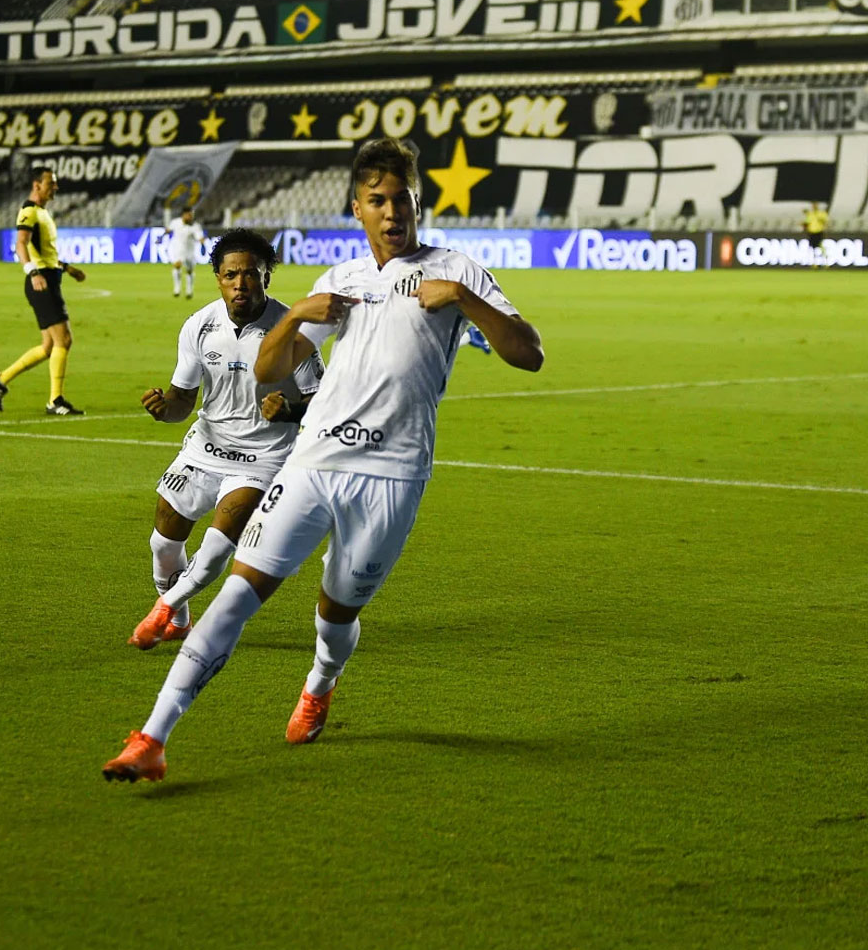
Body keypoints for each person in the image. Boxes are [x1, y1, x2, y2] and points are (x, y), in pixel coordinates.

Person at [104, 138, 545, 783]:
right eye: (377, 201)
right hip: (312, 462)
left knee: (336, 613)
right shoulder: (340, 279)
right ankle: (152, 736)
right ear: (357, 209)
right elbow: (268, 370)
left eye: (403, 200)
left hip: (393, 476)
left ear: (417, 202)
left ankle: (320, 680)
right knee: (236, 596)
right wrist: (298, 318)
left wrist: (463, 299)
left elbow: (528, 352)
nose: (393, 213)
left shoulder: (458, 268)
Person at [132, 228, 324, 652]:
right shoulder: (199, 326)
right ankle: (179, 620)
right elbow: (183, 399)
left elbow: (322, 400)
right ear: (218, 278)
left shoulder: (293, 329)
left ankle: (165, 607)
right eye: (230, 275)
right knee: (163, 540)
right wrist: (166, 409)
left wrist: (291, 410)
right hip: (207, 445)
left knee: (221, 537)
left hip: (264, 455)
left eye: (251, 274)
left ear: (266, 277)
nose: (241, 284)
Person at [0, 166, 88, 416]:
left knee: (48, 346)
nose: (55, 187)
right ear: (37, 185)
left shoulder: (41, 212)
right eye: (51, 183)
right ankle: (55, 400)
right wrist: (32, 272)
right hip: (41, 282)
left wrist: (66, 268)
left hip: (49, 278)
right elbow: (20, 244)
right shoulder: (29, 211)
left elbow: (45, 252)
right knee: (63, 340)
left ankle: (1, 379)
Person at [160, 207, 206, 299]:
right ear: (183, 215)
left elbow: (200, 236)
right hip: (178, 249)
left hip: (190, 250)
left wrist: (203, 245)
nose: (190, 217)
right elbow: (169, 230)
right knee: (177, 265)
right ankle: (177, 288)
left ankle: (189, 290)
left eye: (191, 215)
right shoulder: (175, 222)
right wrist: (161, 237)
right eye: (189, 215)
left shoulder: (195, 226)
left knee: (189, 271)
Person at [803, 201, 830, 266]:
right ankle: (814, 262)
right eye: (813, 205)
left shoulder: (821, 213)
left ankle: (826, 262)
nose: (814, 206)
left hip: (819, 231)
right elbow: (807, 222)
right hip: (812, 232)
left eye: (815, 205)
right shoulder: (810, 214)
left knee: (820, 246)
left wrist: (821, 220)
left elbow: (826, 221)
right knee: (812, 247)